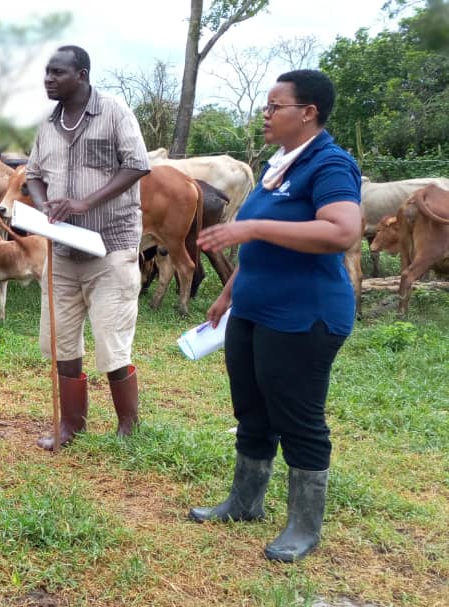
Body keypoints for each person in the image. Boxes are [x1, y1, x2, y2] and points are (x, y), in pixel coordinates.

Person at [189, 69, 362, 563]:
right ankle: (245, 501)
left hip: (303, 315)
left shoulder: (329, 165)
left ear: (307, 113)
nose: (265, 115)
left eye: (274, 106)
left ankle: (303, 527)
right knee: (252, 409)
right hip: (253, 309)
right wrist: (229, 292)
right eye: (266, 106)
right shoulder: (277, 166)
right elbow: (260, 245)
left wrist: (254, 227)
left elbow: (341, 231)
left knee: (299, 418)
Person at [22, 45, 150, 449]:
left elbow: (137, 164)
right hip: (62, 250)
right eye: (46, 72)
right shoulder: (49, 123)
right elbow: (33, 173)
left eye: (57, 72)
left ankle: (128, 426)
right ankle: (71, 425)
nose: (48, 79)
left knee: (112, 338)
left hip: (110, 245)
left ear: (82, 75)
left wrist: (84, 203)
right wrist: (44, 206)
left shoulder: (114, 112)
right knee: (61, 340)